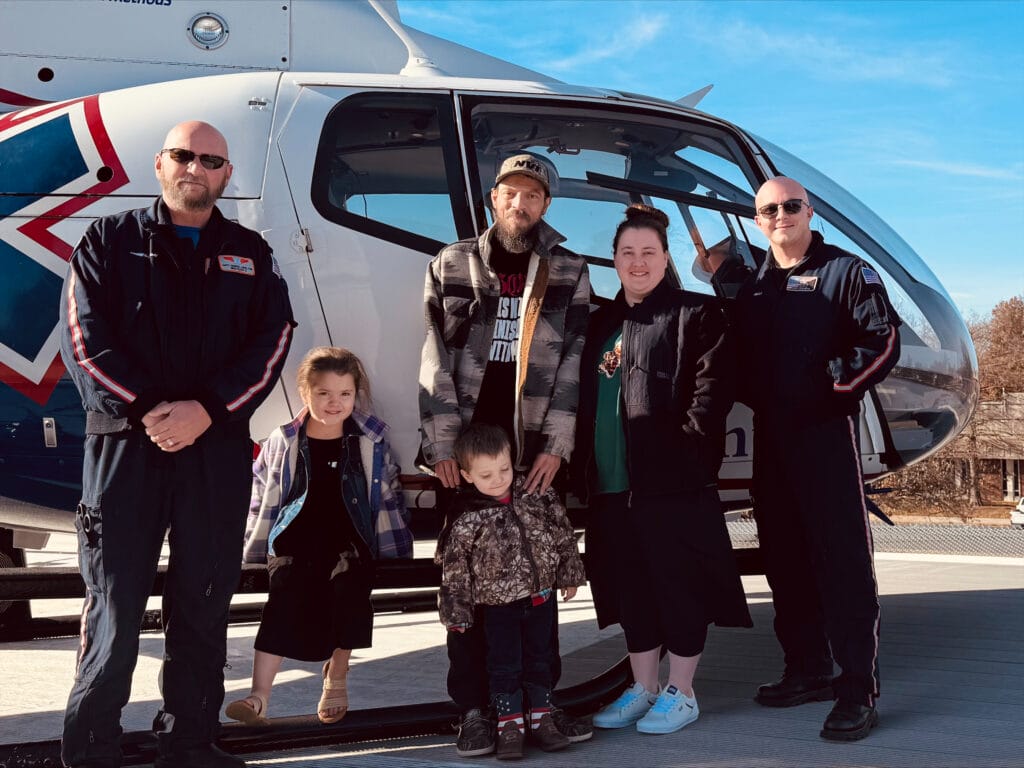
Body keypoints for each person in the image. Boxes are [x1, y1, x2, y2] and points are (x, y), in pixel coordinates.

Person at [58, 121, 295, 768]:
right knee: (116, 606)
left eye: (211, 159)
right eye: (184, 156)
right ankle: (91, 747)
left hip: (214, 455)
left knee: (203, 603)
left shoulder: (250, 251)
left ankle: (189, 742)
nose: (197, 167)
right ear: (161, 164)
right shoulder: (109, 240)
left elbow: (272, 341)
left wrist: (206, 412)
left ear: (225, 175)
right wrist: (149, 412)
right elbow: (83, 339)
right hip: (124, 453)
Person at [713, 176, 901, 742]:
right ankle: (808, 669)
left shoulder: (848, 272)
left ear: (809, 211)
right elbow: (738, 359)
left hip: (825, 436)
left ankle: (856, 689)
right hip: (773, 442)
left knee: (841, 563)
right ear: (757, 221)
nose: (780, 215)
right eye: (768, 210)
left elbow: (883, 341)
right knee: (784, 560)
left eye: (791, 206)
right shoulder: (755, 288)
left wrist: (832, 386)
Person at [418, 153, 592, 755]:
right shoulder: (451, 262)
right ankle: (473, 709)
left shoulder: (568, 269)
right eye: (511, 194)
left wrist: (558, 445)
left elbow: (574, 361)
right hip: (471, 454)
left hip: (532, 449)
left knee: (537, 587)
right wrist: (442, 444)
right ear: (494, 198)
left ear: (547, 205)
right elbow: (433, 355)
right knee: (467, 587)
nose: (522, 205)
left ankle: (541, 704)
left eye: (534, 196)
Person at [570, 204, 752, 736]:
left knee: (678, 585)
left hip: (671, 483)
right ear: (615, 261)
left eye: (648, 252)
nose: (638, 261)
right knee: (630, 589)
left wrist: (690, 456)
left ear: (665, 257)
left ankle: (683, 690)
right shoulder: (601, 323)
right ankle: (643, 687)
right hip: (610, 485)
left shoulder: (697, 314)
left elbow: (710, 396)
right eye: (627, 253)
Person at [226, 347, 412, 726]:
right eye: (324, 393)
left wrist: (395, 545)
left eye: (344, 394)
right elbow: (261, 494)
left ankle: (337, 675)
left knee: (351, 585)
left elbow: (387, 493)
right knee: (284, 592)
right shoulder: (286, 440)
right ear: (305, 393)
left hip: (350, 535)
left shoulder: (368, 440)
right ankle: (259, 694)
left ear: (355, 394)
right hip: (296, 535)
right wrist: (251, 547)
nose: (334, 402)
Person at [437, 424, 586, 759]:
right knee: (504, 663)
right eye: (486, 474)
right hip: (497, 607)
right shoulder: (467, 514)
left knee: (541, 659)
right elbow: (455, 569)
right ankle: (509, 725)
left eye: (503, 469)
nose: (498, 479)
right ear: (467, 475)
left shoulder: (536, 493)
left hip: (540, 598)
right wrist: (456, 613)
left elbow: (562, 533)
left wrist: (569, 574)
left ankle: (542, 718)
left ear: (512, 461)